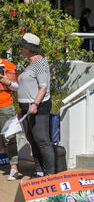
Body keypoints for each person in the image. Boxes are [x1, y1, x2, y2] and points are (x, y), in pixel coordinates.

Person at [1, 33, 55, 178]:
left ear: (30, 48)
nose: (20, 49)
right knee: (33, 140)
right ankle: (39, 171)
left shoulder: (41, 63)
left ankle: (50, 174)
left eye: (22, 46)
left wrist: (35, 104)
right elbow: (23, 88)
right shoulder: (30, 64)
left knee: (42, 140)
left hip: (38, 108)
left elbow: (43, 87)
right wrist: (9, 83)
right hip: (27, 109)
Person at [0, 58, 20, 181]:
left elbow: (17, 88)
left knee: (9, 137)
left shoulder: (7, 65)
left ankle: (14, 167)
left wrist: (6, 82)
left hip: (5, 106)